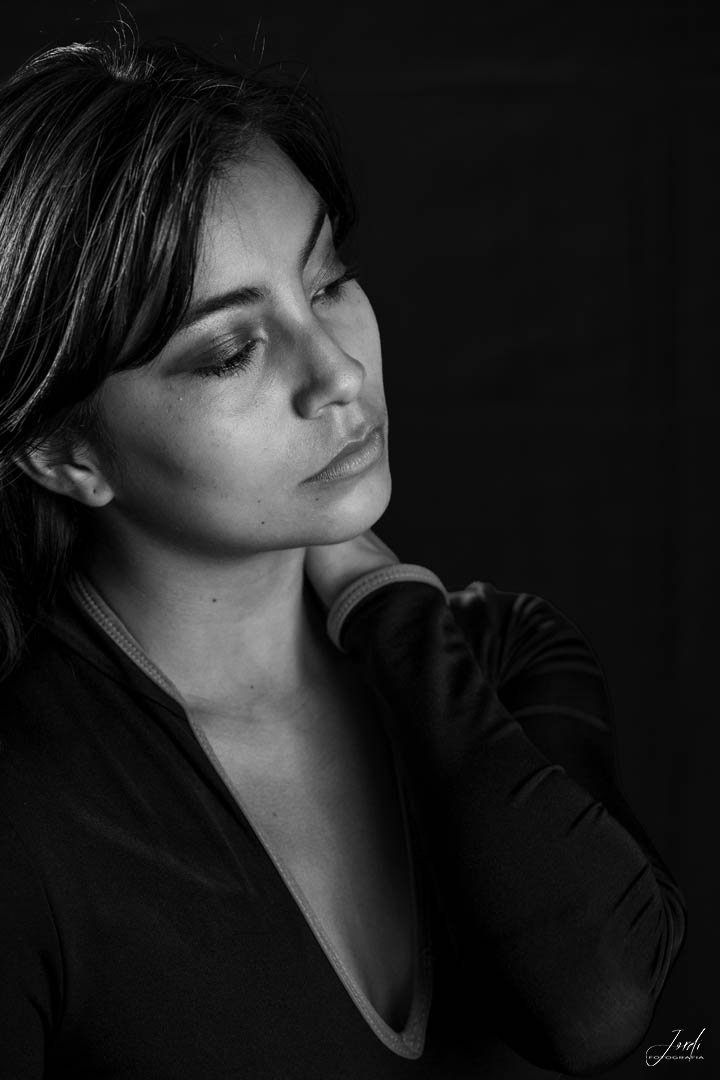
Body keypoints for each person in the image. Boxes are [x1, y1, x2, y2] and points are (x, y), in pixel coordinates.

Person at [0, 35, 685, 1080]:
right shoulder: (27, 807)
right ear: (65, 453)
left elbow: (594, 1003)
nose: (338, 373)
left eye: (327, 283)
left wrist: (384, 603)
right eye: (231, 350)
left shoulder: (501, 653)